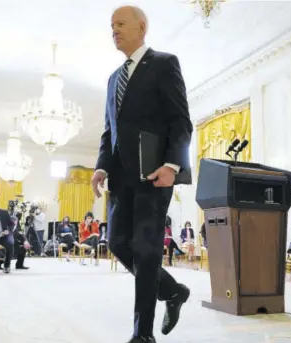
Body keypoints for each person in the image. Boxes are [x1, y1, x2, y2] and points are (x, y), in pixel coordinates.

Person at [90, 6, 193, 342]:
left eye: (120, 24)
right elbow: (109, 132)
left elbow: (181, 122)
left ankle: (142, 335)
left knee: (147, 251)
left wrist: (172, 165)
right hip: (120, 178)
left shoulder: (164, 63)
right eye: (111, 25)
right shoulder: (112, 79)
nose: (114, 30)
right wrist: (101, 167)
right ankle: (173, 290)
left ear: (142, 27)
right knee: (117, 243)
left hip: (154, 174)